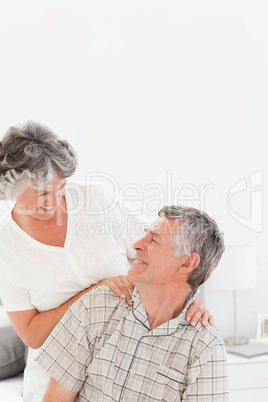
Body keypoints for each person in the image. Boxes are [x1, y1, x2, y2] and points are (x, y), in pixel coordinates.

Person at [0, 122, 211, 401]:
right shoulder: (6, 246)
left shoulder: (96, 199)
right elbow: (31, 334)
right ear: (10, 188)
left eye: (60, 187)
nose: (53, 202)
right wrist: (95, 293)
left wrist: (190, 297)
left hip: (125, 370)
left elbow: (162, 254)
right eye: (41, 194)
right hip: (54, 380)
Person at [37, 205, 228, 402]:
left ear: (187, 263)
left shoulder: (205, 346)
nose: (137, 244)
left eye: (153, 240)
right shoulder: (96, 306)